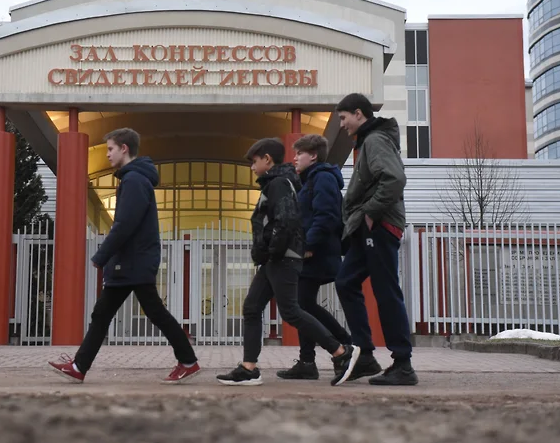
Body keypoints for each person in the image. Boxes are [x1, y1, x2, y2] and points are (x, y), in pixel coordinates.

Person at [48, 128, 200, 384]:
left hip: (133, 261)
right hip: (130, 261)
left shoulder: (134, 180)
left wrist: (101, 255)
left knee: (151, 313)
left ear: (124, 149)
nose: (107, 154)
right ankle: (79, 366)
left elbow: (125, 224)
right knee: (106, 314)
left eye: (110, 149)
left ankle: (188, 361)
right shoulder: (134, 179)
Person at [216, 138, 359, 387]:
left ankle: (340, 352)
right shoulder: (278, 183)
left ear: (267, 159)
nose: (252, 167)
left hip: (281, 258)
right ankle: (249, 368)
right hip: (274, 258)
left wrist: (272, 251)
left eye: (254, 161)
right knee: (252, 307)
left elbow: (284, 221)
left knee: (291, 311)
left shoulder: (279, 183)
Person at [334, 93, 418, 385]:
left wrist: (370, 213)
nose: (342, 125)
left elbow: (394, 179)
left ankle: (403, 364)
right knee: (345, 281)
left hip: (379, 226)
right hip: (367, 227)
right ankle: (365, 355)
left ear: (359, 114)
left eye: (343, 118)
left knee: (386, 291)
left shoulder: (375, 140)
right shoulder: (367, 141)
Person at [276, 134, 353, 381]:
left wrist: (308, 245)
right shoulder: (309, 180)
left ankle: (344, 343)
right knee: (303, 304)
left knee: (301, 305)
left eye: (300, 153)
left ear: (313, 156)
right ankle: (308, 362)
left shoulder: (323, 178)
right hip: (311, 252)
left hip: (318, 252)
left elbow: (326, 215)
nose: (295, 158)